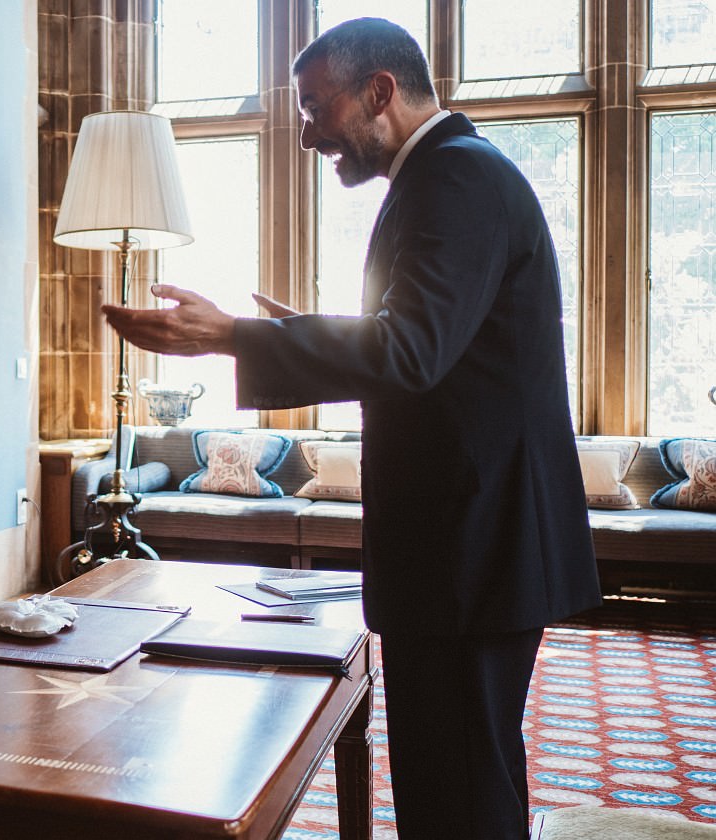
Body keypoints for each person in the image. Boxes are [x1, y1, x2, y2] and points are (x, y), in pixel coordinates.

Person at [103, 18, 600, 840]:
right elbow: (442, 352)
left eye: (313, 106)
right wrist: (294, 330)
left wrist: (235, 334)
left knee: (459, 796)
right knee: (463, 781)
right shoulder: (449, 175)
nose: (305, 134)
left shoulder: (456, 180)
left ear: (379, 93)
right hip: (471, 553)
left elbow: (410, 350)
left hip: (472, 554)